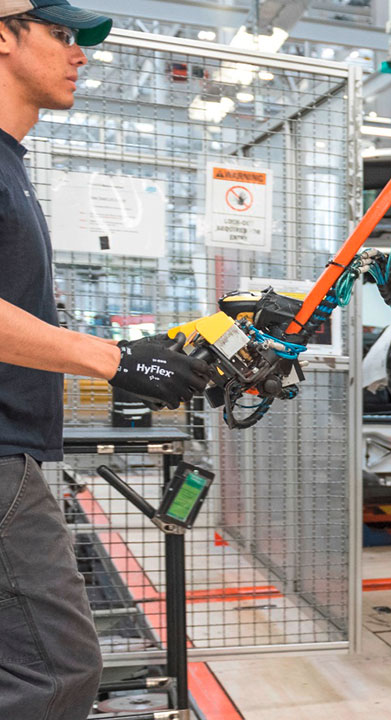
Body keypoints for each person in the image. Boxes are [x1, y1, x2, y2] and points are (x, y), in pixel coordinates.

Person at [0, 3, 211, 718]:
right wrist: (113, 358)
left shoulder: (11, 168)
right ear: (2, 34)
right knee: (55, 676)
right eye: (60, 35)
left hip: (18, 453)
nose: (79, 54)